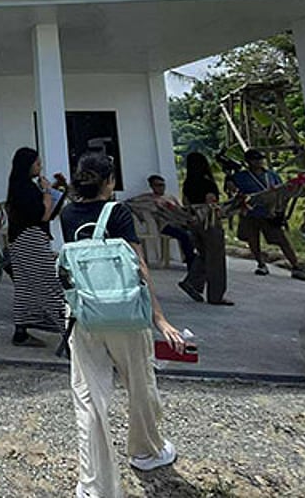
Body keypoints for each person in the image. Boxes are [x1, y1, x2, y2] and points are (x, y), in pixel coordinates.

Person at [60, 154, 186, 498]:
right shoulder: (117, 212)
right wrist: (158, 317)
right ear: (109, 181)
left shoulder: (67, 214)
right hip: (126, 313)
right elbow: (139, 265)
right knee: (140, 383)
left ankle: (94, 485)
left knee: (88, 397)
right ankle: (145, 450)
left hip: (84, 314)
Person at [226, 149, 305, 281]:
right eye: (255, 159)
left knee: (282, 240)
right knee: (253, 239)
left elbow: (281, 194)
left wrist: (280, 211)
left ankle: (296, 266)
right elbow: (232, 191)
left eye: (260, 159)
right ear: (248, 161)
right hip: (250, 213)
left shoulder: (272, 175)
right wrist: (229, 178)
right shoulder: (241, 177)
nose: (259, 162)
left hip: (269, 213)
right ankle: (260, 264)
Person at [5, 147, 62, 346]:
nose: (40, 167)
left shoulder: (20, 186)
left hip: (20, 239)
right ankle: (65, 328)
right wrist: (47, 192)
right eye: (37, 163)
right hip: (30, 239)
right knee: (48, 282)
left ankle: (21, 331)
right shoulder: (25, 189)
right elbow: (43, 215)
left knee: (25, 286)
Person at [181, 152, 232, 305]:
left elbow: (185, 203)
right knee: (216, 259)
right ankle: (216, 295)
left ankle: (192, 282)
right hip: (209, 222)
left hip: (194, 222)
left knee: (203, 254)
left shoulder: (187, 183)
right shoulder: (208, 184)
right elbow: (211, 203)